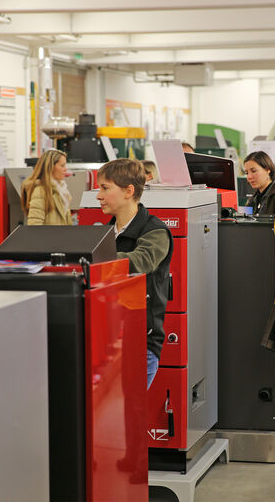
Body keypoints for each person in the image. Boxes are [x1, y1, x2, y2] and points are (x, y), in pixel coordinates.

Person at [96, 158, 173, 388]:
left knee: (129, 418)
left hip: (141, 343)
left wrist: (92, 259)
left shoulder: (156, 231)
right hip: (108, 344)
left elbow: (142, 261)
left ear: (129, 191)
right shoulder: (105, 233)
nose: (98, 196)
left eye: (105, 188)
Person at [21, 149, 74, 226]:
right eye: (62, 165)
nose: (66, 169)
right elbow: (34, 226)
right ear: (50, 167)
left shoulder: (62, 190)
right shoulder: (40, 191)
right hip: (48, 238)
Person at [244, 151, 275, 215]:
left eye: (253, 171)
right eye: (247, 173)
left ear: (268, 169)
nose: (249, 177)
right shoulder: (252, 200)